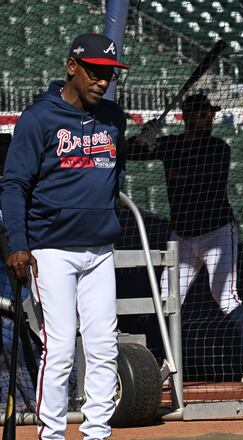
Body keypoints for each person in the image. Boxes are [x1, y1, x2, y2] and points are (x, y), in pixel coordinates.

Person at [0, 33, 129, 440]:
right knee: (57, 349)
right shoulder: (38, 118)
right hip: (50, 250)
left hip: (99, 249)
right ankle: (51, 434)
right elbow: (14, 184)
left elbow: (115, 171)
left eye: (108, 74)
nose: (102, 82)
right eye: (95, 72)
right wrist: (17, 242)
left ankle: (97, 432)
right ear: (72, 67)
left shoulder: (114, 117)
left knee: (103, 346)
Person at [129, 94, 243, 384]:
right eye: (202, 114)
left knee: (226, 298)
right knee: (167, 301)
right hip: (181, 236)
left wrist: (158, 145)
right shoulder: (171, 145)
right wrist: (144, 137)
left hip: (216, 233)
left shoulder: (218, 148)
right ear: (189, 117)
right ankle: (166, 364)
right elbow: (130, 154)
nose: (208, 119)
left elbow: (197, 169)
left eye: (209, 114)